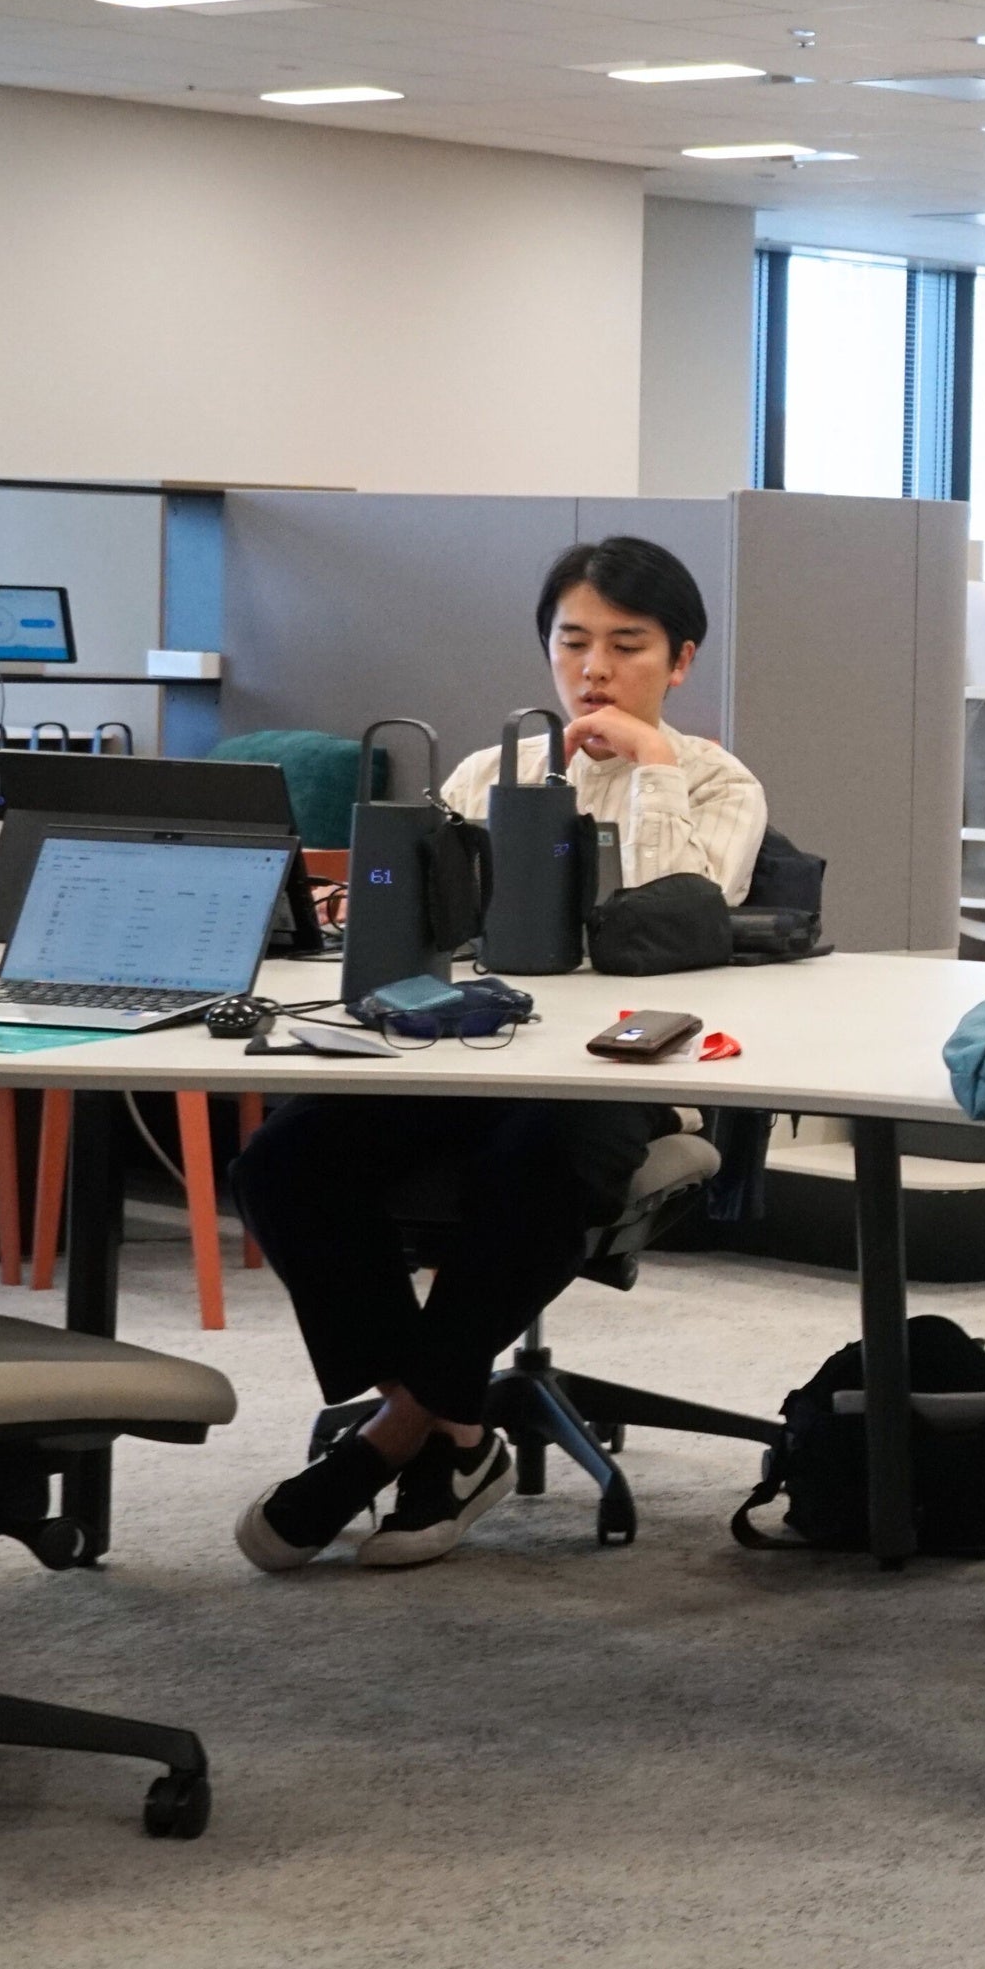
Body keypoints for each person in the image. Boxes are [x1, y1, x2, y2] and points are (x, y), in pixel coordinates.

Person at [232, 538, 770, 1575]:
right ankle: (455, 1427)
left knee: (539, 1155)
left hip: (624, 1069)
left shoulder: (717, 782)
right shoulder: (489, 773)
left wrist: (652, 771)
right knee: (283, 1158)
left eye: (627, 645)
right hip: (472, 1052)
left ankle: (389, 1441)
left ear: (681, 660)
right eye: (573, 642)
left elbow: (679, 918)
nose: (595, 670)